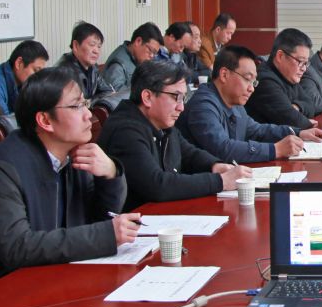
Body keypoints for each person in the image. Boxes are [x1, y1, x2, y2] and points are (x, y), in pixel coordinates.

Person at [0, 68, 138, 295]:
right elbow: (17, 248)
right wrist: (106, 235)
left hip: (55, 281)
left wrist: (111, 173)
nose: (88, 114)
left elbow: (99, 218)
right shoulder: (4, 169)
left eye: (86, 103)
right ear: (45, 120)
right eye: (76, 106)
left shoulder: (73, 152)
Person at [96, 61, 252, 212]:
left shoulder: (161, 123)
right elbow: (157, 185)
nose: (181, 107)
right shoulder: (125, 131)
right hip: (137, 223)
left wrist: (214, 166)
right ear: (147, 97)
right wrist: (221, 181)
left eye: (183, 98)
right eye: (175, 97)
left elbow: (189, 153)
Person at [177, 46, 322, 163]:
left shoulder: (235, 103)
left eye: (254, 82)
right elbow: (223, 149)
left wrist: (298, 133)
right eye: (247, 79)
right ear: (224, 74)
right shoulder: (203, 106)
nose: (251, 88)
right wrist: (275, 150)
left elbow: (257, 131)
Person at [245, 28, 317, 130]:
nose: (304, 69)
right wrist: (299, 116)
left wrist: (296, 107)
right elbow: (294, 121)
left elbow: (311, 105)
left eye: (306, 63)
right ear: (280, 56)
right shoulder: (264, 80)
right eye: (300, 61)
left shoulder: (289, 76)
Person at [0, 40, 50, 113]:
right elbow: (3, 118)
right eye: (36, 70)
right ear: (19, 63)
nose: (39, 77)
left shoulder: (23, 81)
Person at [56, 21, 114, 98]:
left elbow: (108, 92)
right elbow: (73, 103)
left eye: (99, 46)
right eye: (92, 45)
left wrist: (91, 101)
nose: (96, 51)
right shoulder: (63, 72)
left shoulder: (93, 67)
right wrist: (92, 102)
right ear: (76, 45)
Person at [101, 22, 163, 91]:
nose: (152, 56)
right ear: (138, 41)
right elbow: (116, 94)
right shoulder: (118, 64)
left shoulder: (137, 58)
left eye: (155, 53)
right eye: (151, 50)